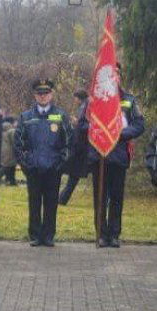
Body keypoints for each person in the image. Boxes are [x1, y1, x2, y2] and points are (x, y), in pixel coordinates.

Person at [77, 68, 146, 248]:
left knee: (116, 197)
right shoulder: (92, 100)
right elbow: (82, 124)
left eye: (116, 76)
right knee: (100, 197)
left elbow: (139, 125)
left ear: (120, 78)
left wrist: (119, 133)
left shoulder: (129, 101)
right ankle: (101, 234)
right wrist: (101, 131)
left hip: (119, 155)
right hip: (99, 155)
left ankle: (114, 235)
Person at [13, 79, 73, 247]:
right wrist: (26, 165)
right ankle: (35, 235)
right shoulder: (26, 117)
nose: (43, 96)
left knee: (51, 202)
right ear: (35, 95)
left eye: (46, 93)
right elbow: (17, 144)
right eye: (40, 93)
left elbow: (69, 142)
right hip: (34, 169)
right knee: (34, 202)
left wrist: (60, 164)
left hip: (53, 169)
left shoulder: (60, 116)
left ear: (51, 94)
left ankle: (48, 236)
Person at [58, 89, 89, 205]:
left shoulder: (84, 108)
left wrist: (76, 123)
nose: (74, 101)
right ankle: (62, 198)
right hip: (80, 145)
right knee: (74, 175)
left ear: (78, 98)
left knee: (73, 173)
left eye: (75, 98)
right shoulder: (85, 107)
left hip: (80, 146)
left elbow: (82, 125)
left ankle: (62, 198)